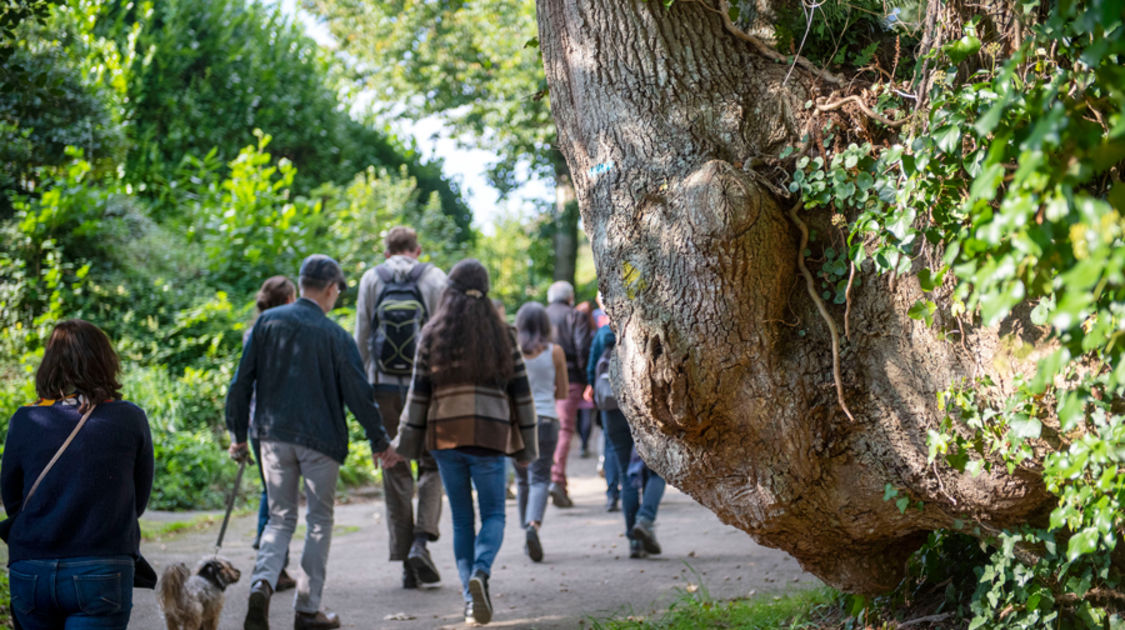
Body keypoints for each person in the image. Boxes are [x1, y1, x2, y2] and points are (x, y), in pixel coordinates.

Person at [227, 254, 402, 630]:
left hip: (272, 437)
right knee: (318, 521)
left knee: (280, 518)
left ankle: (262, 583)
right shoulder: (335, 335)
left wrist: (238, 436)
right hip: (321, 442)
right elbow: (359, 394)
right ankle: (307, 611)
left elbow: (241, 384)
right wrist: (379, 441)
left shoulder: (265, 324)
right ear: (329, 288)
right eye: (338, 289)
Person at [394, 259, 538, 626]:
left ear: (449, 292)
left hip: (445, 438)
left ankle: (469, 599)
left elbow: (418, 395)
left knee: (462, 520)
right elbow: (522, 393)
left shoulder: (433, 333)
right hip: (490, 436)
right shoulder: (503, 334)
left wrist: (404, 443)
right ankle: (481, 573)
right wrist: (527, 448)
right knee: (493, 514)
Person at [2, 319, 154, 630]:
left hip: (32, 567)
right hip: (102, 568)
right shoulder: (130, 419)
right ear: (105, 362)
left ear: (49, 365)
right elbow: (137, 502)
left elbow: (12, 500)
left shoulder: (25, 419)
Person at [354, 226, 448, 589]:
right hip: (425, 389)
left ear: (386, 252)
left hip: (382, 387)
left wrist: (363, 387)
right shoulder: (435, 277)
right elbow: (444, 334)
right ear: (417, 249)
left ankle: (405, 561)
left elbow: (362, 335)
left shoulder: (371, 279)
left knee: (393, 466)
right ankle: (422, 542)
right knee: (431, 463)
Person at [586, 317, 666, 559]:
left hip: (612, 408)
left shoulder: (603, 334)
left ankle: (634, 542)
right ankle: (646, 518)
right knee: (657, 469)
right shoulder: (647, 328)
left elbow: (591, 371)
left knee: (625, 474)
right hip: (645, 406)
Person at [246, 276, 298, 592]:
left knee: (272, 490)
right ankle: (272, 563)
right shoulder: (288, 334)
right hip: (283, 424)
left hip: (256, 422)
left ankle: (270, 556)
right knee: (280, 496)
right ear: (289, 299)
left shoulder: (254, 332)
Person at [513, 302, 568, 562]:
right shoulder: (554, 352)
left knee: (522, 479)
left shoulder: (512, 351)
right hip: (546, 420)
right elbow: (564, 392)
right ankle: (533, 525)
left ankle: (525, 530)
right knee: (540, 477)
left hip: (515, 424)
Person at [544, 281, 593, 508]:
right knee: (563, 430)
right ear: (570, 297)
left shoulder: (540, 316)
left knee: (544, 428)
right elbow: (582, 348)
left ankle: (546, 480)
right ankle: (556, 479)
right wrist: (586, 380)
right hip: (570, 379)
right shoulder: (576, 316)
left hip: (541, 380)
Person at [573, 301, 598, 459]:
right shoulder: (594, 332)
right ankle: (584, 443)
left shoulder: (574, 330)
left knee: (578, 413)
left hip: (577, 377)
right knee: (586, 412)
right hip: (588, 377)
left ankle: (582, 442)